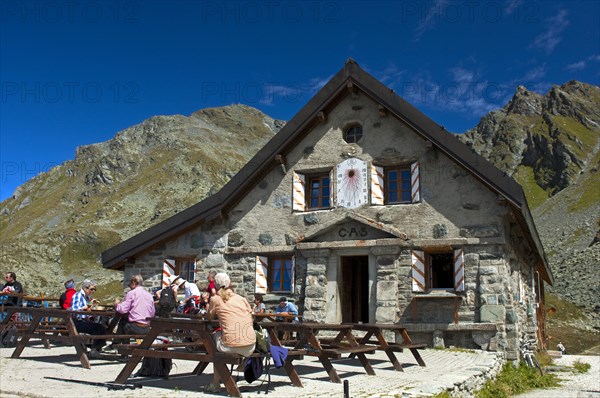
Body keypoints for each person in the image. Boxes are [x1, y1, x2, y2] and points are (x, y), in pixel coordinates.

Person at [206, 272, 256, 392]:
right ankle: (238, 366)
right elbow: (252, 316)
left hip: (231, 346)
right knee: (234, 335)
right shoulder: (242, 299)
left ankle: (215, 383)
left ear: (215, 286)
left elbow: (209, 318)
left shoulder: (216, 299)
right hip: (250, 346)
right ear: (230, 284)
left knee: (213, 342)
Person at [104, 275, 155, 353]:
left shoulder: (132, 293)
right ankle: (115, 345)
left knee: (123, 324)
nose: (129, 286)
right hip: (146, 327)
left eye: (130, 284)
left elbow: (123, 310)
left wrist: (116, 304)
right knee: (125, 323)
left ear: (134, 282)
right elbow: (152, 313)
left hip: (136, 327)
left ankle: (123, 352)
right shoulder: (149, 295)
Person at [69, 279, 106, 357]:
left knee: (102, 326)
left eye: (94, 289)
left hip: (84, 320)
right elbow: (74, 310)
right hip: (76, 322)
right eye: (91, 289)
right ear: (85, 288)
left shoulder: (87, 297)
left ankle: (96, 348)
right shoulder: (78, 296)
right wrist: (84, 308)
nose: (92, 291)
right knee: (97, 328)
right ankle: (94, 349)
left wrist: (92, 306)